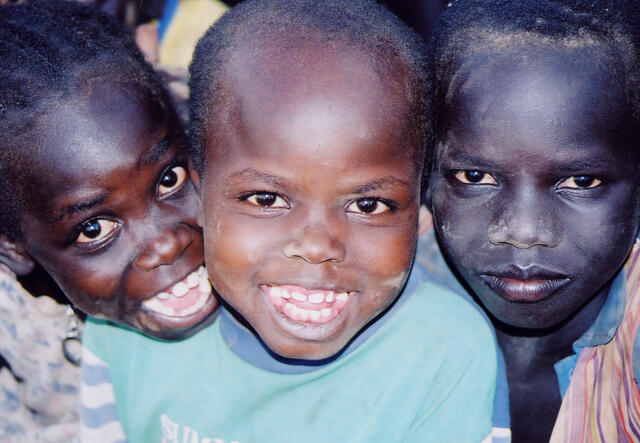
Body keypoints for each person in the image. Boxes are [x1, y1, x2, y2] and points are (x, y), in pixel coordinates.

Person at [82, 0, 498, 441]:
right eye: (266, 198)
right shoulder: (132, 330)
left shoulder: (441, 353)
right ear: (198, 194)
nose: (317, 246)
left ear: (419, 211)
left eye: (368, 206)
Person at [422, 0, 640, 440]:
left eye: (581, 181)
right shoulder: (369, 306)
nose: (522, 232)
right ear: (424, 175)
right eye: (475, 176)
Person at [0, 1, 218, 439]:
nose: (165, 243)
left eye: (169, 179)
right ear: (13, 249)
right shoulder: (12, 324)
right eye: (94, 229)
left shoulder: (231, 139)